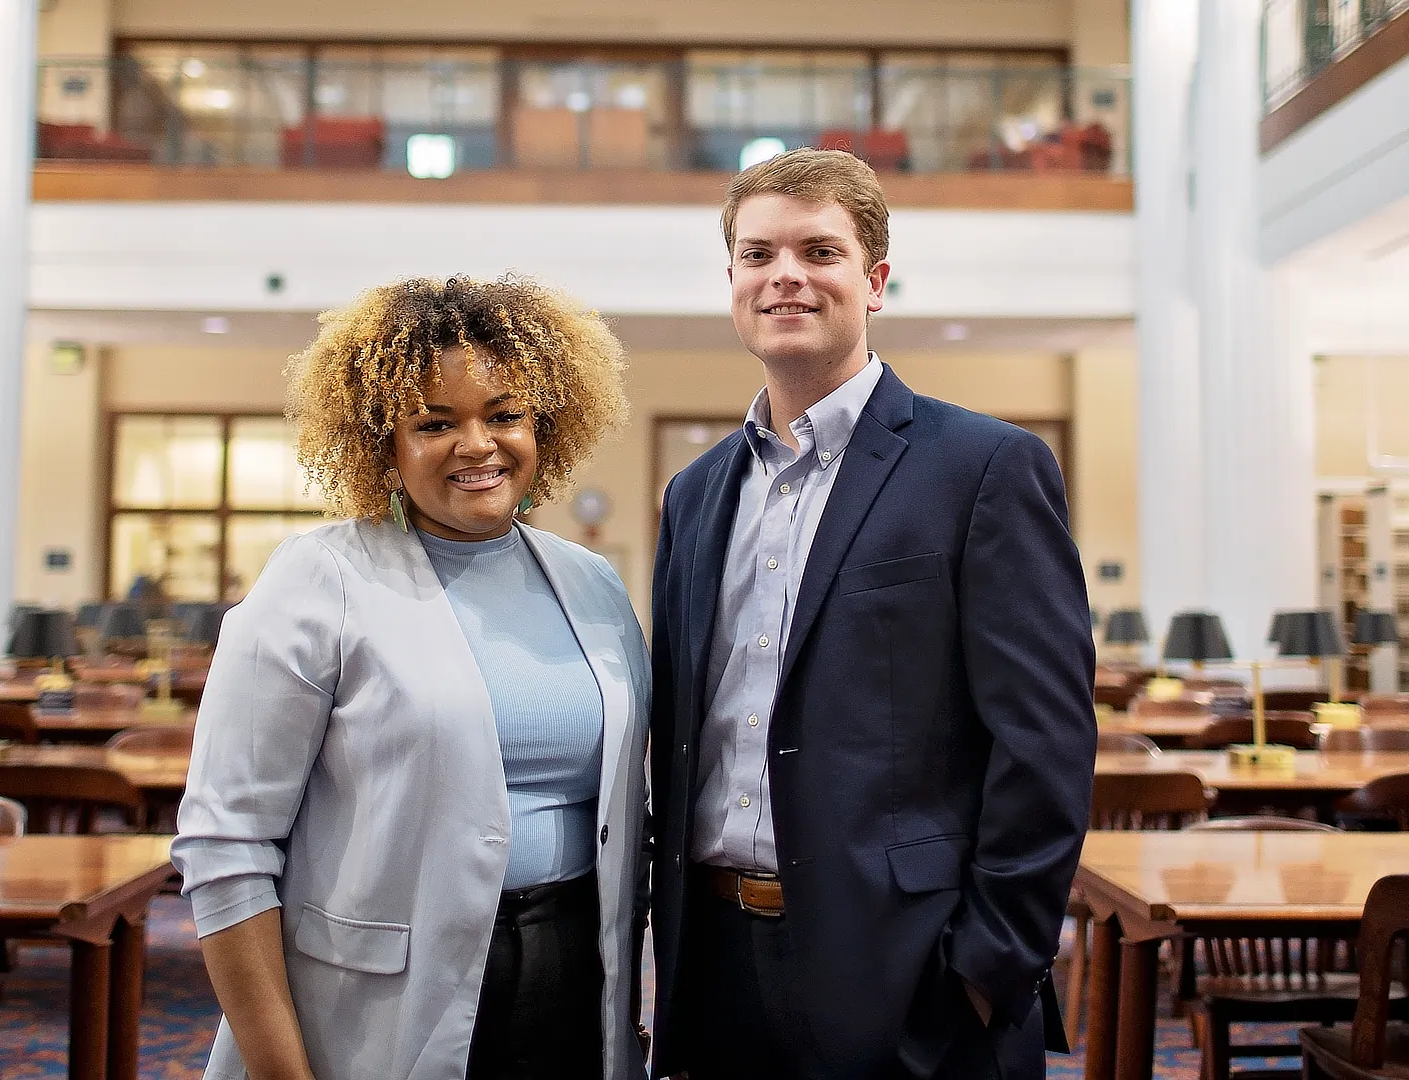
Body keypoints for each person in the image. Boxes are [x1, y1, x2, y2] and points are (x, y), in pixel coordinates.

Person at [647, 148, 1096, 1079]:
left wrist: (986, 966)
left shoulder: (982, 468)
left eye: (820, 251)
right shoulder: (695, 495)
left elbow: (1045, 743)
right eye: (758, 254)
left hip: (912, 971)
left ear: (874, 281)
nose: (786, 277)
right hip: (716, 963)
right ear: (732, 280)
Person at [173, 274, 651, 1080]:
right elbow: (227, 847)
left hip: (578, 981)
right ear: (382, 445)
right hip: (376, 1007)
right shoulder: (317, 579)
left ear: (545, 427)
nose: (478, 444)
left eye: (505, 415)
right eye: (435, 423)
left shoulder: (592, 583)